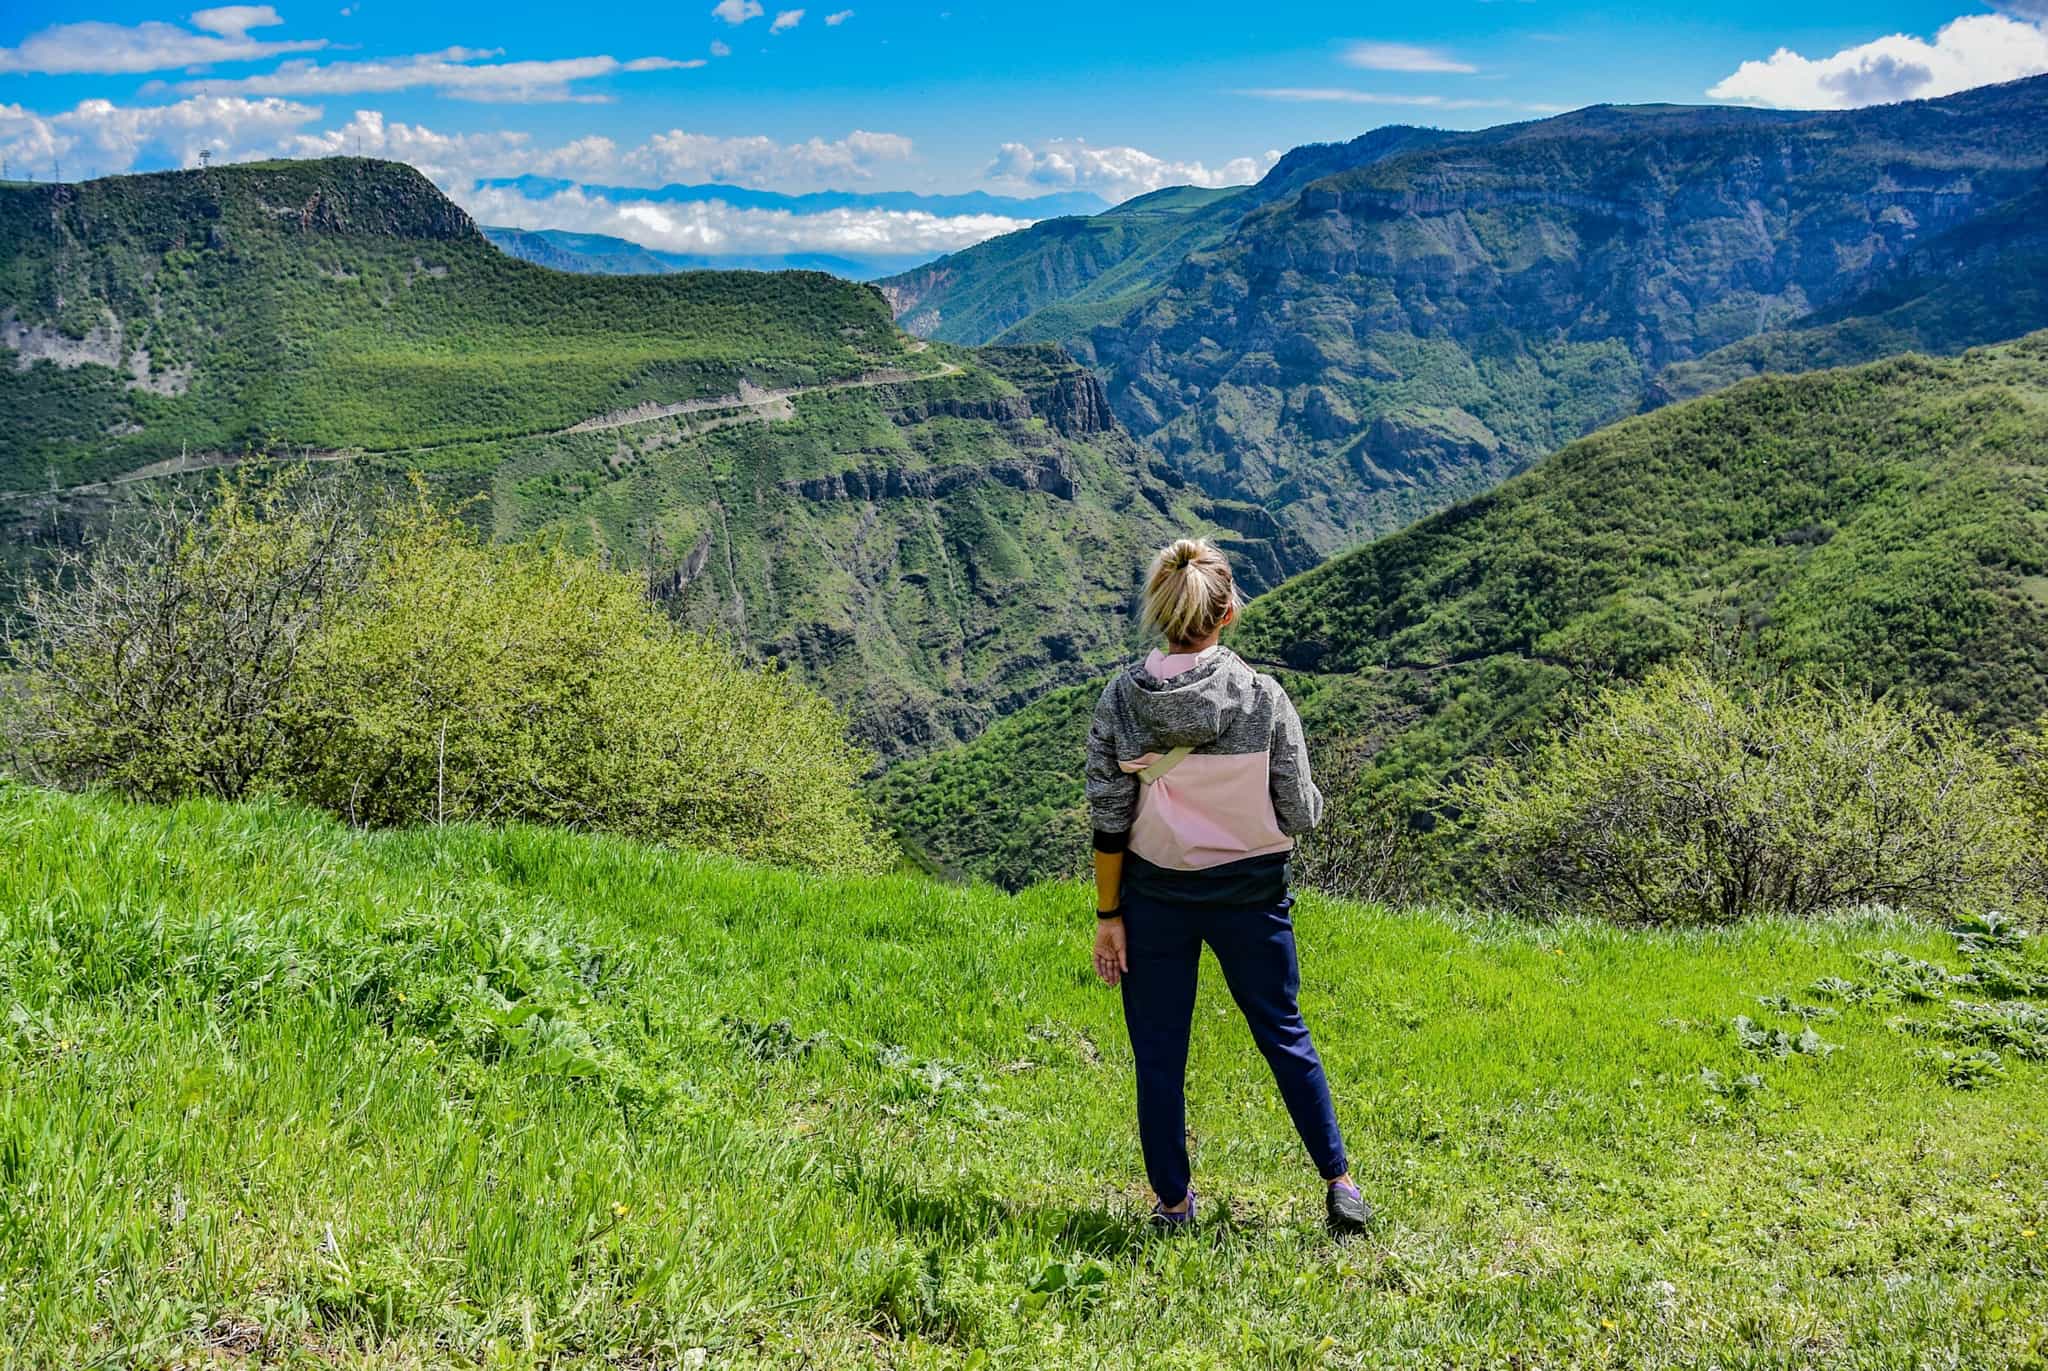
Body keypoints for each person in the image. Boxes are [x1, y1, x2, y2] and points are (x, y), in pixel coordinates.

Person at [1085, 537, 1370, 1235]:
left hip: (1155, 893)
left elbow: (1108, 818)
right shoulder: (1262, 697)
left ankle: (1174, 1204)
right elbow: (1299, 812)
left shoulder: (1121, 701)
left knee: (1159, 1054)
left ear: (1160, 609)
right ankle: (1339, 1181)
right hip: (1251, 895)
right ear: (1229, 611)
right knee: (1283, 1031)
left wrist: (1108, 914)